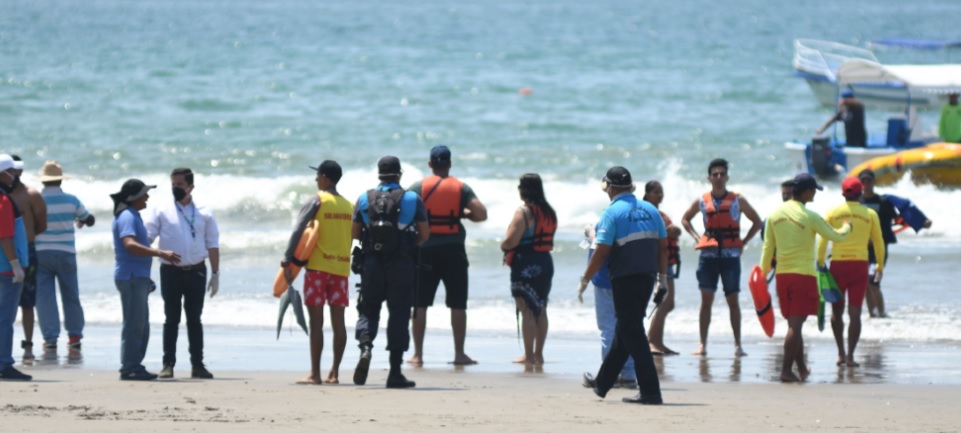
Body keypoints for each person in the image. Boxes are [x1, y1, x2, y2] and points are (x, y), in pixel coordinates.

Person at [579, 167, 666, 405]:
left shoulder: (611, 212)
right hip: (647, 278)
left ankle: (651, 392)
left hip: (625, 280)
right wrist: (663, 279)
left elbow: (602, 250)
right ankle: (603, 383)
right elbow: (662, 246)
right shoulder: (651, 210)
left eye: (607, 187)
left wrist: (585, 279)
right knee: (625, 330)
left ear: (612, 188)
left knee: (633, 333)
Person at [760, 173, 851, 382]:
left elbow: (767, 248)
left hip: (782, 277)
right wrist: (848, 227)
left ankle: (801, 368)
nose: (815, 195)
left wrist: (763, 274)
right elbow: (836, 236)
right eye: (814, 191)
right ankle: (785, 370)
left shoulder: (774, 215)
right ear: (807, 191)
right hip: (803, 276)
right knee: (796, 326)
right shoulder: (810, 216)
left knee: (793, 324)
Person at [351, 156, 429, 388]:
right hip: (401, 265)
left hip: (372, 265)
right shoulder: (413, 199)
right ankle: (395, 372)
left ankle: (365, 348)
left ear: (379, 174)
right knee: (398, 314)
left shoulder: (364, 198)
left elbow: (355, 234)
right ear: (399, 174)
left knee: (368, 309)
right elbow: (424, 235)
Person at [407, 145, 487, 366]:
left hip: (425, 251)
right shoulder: (461, 188)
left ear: (430, 164)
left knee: (420, 304)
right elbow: (481, 214)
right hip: (454, 251)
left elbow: (403, 210)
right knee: (458, 304)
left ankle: (418, 355)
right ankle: (459, 354)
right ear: (449, 164)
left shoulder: (419, 187)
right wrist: (464, 214)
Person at [680, 158, 762, 357]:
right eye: (714, 174)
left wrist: (743, 242)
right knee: (705, 302)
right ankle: (702, 344)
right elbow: (685, 219)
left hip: (730, 258)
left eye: (721, 174)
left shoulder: (737, 200)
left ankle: (738, 345)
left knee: (733, 301)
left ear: (727, 177)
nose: (718, 177)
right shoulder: (702, 200)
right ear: (709, 178)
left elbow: (757, 222)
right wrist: (696, 237)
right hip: (708, 257)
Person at [281, 160, 352, 384]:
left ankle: (315, 374)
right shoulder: (349, 206)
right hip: (341, 269)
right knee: (339, 322)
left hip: (317, 269)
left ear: (325, 178)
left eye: (318, 176)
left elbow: (298, 229)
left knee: (316, 323)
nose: (315, 180)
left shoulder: (317, 201)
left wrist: (287, 259)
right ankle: (335, 372)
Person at [145, 168, 219, 380]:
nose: (175, 188)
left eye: (179, 185)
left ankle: (198, 365)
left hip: (196, 270)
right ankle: (168, 364)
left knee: (195, 319)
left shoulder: (204, 211)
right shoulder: (161, 209)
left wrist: (215, 274)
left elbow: (213, 244)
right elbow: (148, 239)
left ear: (190, 187)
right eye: (173, 184)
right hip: (171, 272)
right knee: (171, 319)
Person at [111, 179, 181, 381]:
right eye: (144, 194)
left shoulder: (132, 215)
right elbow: (130, 245)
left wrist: (145, 276)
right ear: (134, 198)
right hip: (131, 277)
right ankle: (130, 366)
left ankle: (133, 365)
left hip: (136, 276)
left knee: (140, 324)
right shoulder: (127, 217)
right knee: (135, 324)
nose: (147, 197)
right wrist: (160, 252)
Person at [816, 177, 885, 367]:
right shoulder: (870, 214)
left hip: (838, 266)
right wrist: (879, 266)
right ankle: (852, 357)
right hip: (860, 266)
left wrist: (820, 261)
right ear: (861, 192)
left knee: (836, 312)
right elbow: (879, 242)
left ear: (843, 194)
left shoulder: (833, 212)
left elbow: (823, 239)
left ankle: (841, 353)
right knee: (855, 313)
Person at [34, 161, 95, 354]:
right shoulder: (71, 200)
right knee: (70, 294)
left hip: (41, 253)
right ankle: (74, 335)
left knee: (45, 297)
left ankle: (50, 338)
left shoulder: (36, 200)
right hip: (66, 253)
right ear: (60, 179)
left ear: (43, 181)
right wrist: (80, 221)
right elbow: (90, 219)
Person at [856, 169, 931, 318]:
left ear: (874, 181)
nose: (866, 184)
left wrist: (922, 222)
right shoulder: (857, 202)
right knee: (864, 285)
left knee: (873, 282)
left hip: (879, 249)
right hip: (860, 249)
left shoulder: (883, 201)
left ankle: (882, 315)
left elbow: (900, 218)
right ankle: (872, 316)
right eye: (863, 181)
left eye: (868, 180)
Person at [501, 173, 557, 367]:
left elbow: (511, 241)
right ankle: (539, 355)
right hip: (545, 262)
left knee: (527, 310)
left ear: (523, 190)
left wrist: (503, 245)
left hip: (526, 263)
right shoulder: (549, 212)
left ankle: (528, 355)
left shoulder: (523, 213)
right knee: (541, 308)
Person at [582, 223, 636, 389]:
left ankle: (609, 375)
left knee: (608, 328)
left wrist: (591, 235)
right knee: (627, 327)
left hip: (607, 280)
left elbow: (602, 247)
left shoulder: (608, 218)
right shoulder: (638, 219)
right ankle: (627, 374)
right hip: (631, 278)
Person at [8, 156, 47, 359]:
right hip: (3, 251)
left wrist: (25, 239)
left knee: (27, 301)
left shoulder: (31, 194)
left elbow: (41, 225)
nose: (12, 174)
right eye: (9, 170)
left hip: (28, 251)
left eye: (15, 170)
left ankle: (28, 344)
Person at [0, 154, 32, 380]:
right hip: (6, 269)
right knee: (5, 318)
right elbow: (6, 235)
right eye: (11, 171)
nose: (15, 175)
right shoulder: (3, 200)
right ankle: (4, 363)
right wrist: (15, 265)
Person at [642, 181, 680, 355]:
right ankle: (653, 342)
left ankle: (656, 340)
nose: (659, 195)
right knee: (663, 302)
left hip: (667, 263)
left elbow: (672, 232)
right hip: (657, 263)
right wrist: (667, 230)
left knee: (667, 303)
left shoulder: (661, 214)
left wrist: (675, 231)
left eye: (661, 192)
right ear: (647, 193)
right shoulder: (645, 212)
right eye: (656, 192)